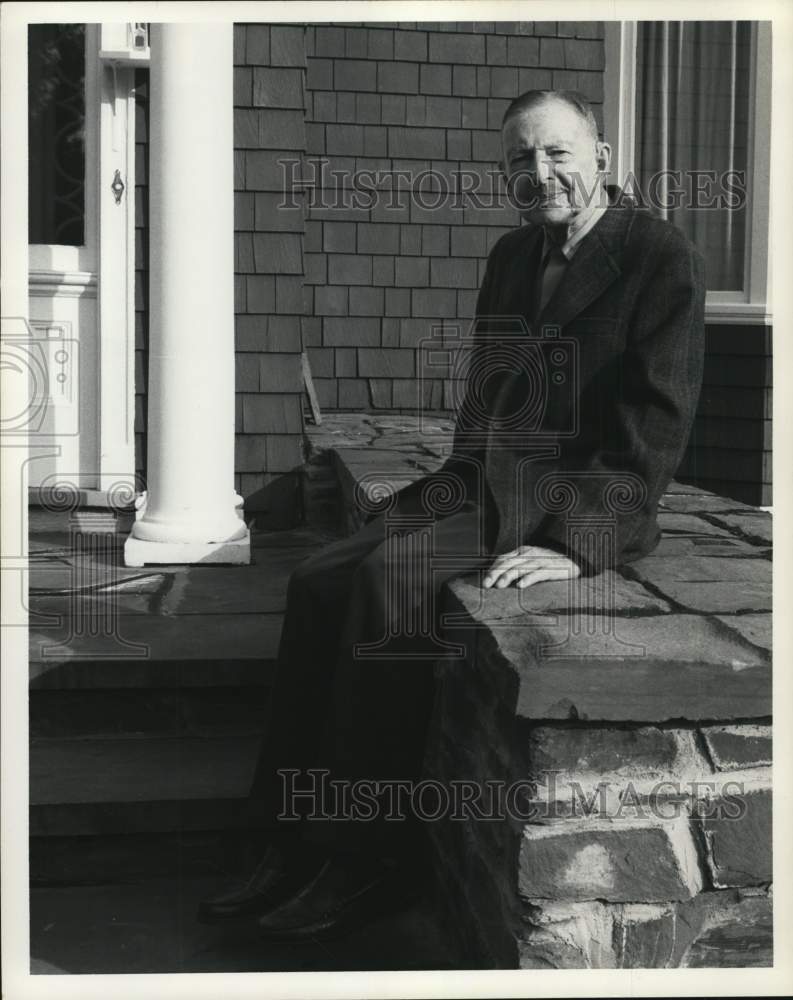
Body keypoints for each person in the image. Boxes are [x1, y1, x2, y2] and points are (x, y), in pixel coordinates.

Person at [198, 89, 706, 938]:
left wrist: (577, 549)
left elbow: (653, 428)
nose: (538, 173)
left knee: (388, 587)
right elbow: (487, 394)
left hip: (569, 498)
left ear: (602, 157)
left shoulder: (656, 255)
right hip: (483, 481)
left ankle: (367, 861)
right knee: (319, 581)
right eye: (519, 159)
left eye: (555, 153)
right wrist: (453, 478)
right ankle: (285, 836)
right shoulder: (513, 255)